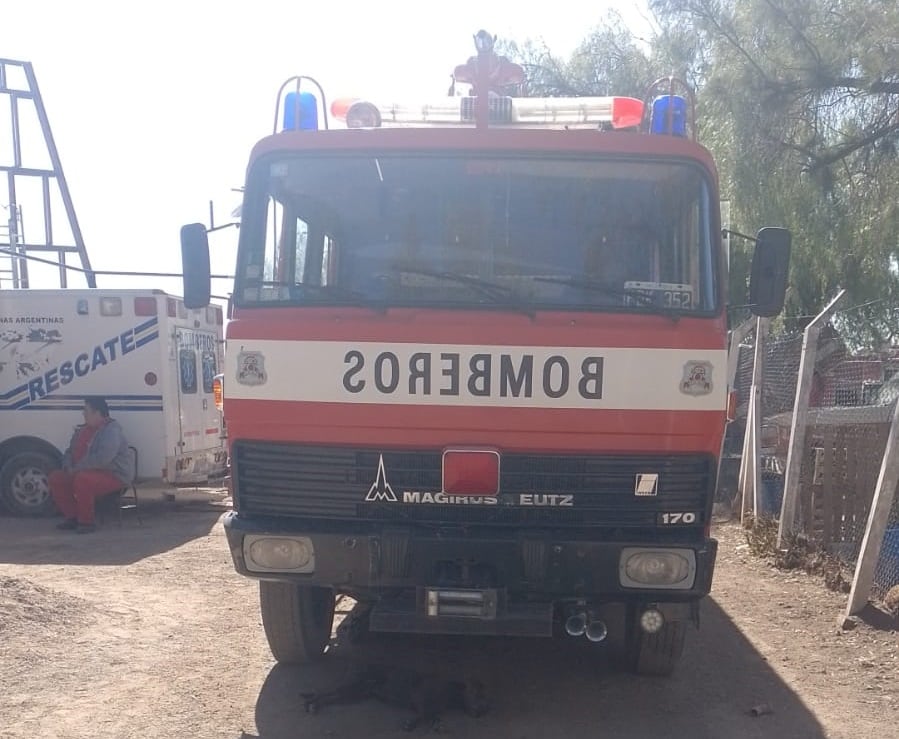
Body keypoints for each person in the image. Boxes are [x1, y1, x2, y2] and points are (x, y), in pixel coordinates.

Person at [48, 397, 135, 534]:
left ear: (98, 413)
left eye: (86, 411)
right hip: (81, 472)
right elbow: (69, 451)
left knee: (83, 479)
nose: (83, 414)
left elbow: (102, 459)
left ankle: (86, 522)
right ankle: (72, 517)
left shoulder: (111, 431)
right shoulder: (81, 430)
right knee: (56, 477)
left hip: (114, 475)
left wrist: (76, 469)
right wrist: (67, 465)